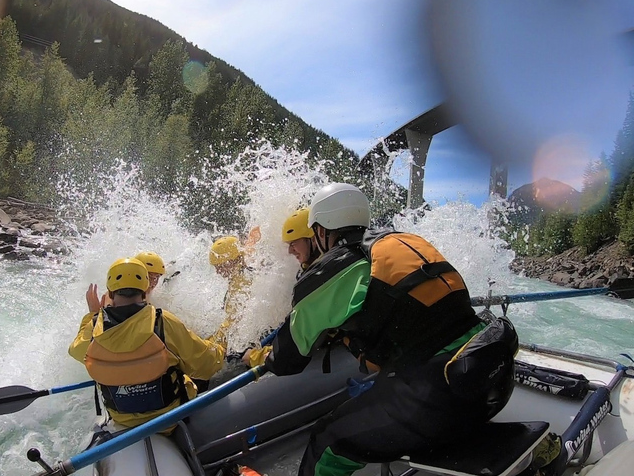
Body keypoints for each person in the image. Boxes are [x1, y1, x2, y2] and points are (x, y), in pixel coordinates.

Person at [264, 183, 517, 476]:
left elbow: (286, 359)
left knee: (326, 441)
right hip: (488, 377)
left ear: (321, 231)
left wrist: (262, 357)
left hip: (438, 401)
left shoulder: (340, 267)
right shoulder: (403, 240)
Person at [69, 258, 225, 430]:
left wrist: (92, 315)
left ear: (111, 293)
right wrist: (220, 346)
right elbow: (207, 364)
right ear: (145, 291)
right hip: (170, 420)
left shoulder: (95, 328)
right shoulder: (163, 321)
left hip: (123, 422)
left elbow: (76, 351)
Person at [241, 208, 320, 366]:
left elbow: (296, 345)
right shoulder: (312, 269)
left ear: (312, 239)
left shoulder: (319, 277)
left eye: (294, 243)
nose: (290, 251)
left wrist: (257, 356)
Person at [86, 250, 167, 310]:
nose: (153, 282)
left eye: (157, 277)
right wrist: (95, 314)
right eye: (149, 276)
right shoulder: (116, 294)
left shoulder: (147, 293)